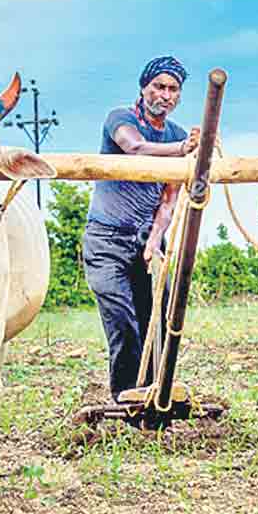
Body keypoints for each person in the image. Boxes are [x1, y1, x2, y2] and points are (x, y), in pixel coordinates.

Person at [82, 56, 201, 403]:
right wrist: (182, 150)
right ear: (144, 88)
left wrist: (153, 239)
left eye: (172, 89)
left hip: (146, 241)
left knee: (159, 320)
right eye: (158, 87)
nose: (164, 95)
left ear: (179, 96)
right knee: (122, 321)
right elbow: (134, 147)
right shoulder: (121, 119)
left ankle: (155, 395)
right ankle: (125, 396)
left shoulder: (177, 133)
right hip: (106, 240)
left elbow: (169, 197)